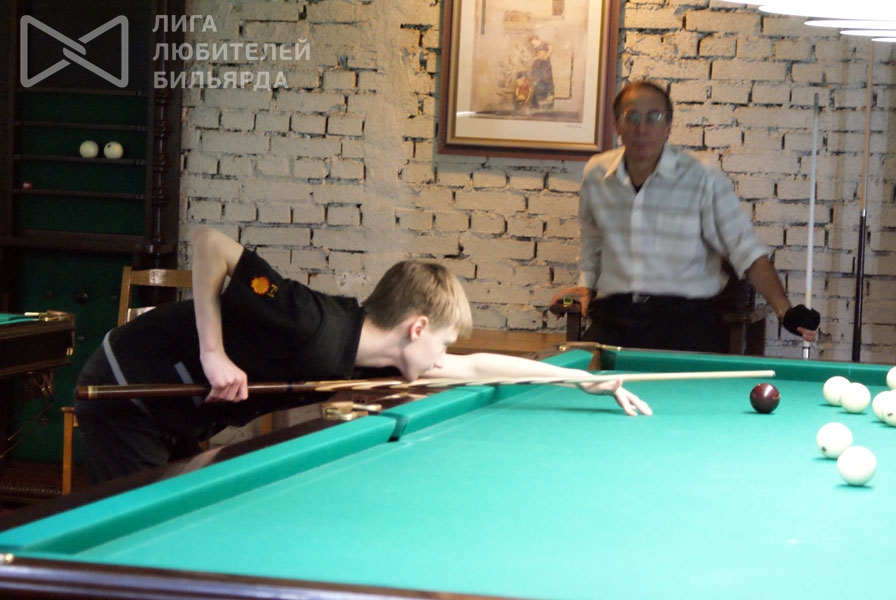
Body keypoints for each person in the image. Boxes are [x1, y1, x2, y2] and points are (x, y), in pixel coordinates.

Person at [75, 226, 651, 484]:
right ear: (416, 327)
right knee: (133, 552)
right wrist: (212, 353)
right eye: (443, 341)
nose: (445, 355)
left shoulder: (368, 355)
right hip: (129, 388)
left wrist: (576, 380)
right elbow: (211, 244)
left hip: (176, 414)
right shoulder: (311, 322)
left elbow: (475, 367)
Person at [552, 80, 820, 352]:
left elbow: (745, 249)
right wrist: (585, 286)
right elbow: (592, 241)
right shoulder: (596, 174)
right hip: (614, 319)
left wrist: (785, 311)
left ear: (668, 126)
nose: (641, 128)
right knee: (579, 372)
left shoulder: (702, 176)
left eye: (654, 117)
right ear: (616, 125)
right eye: (631, 117)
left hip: (685, 322)